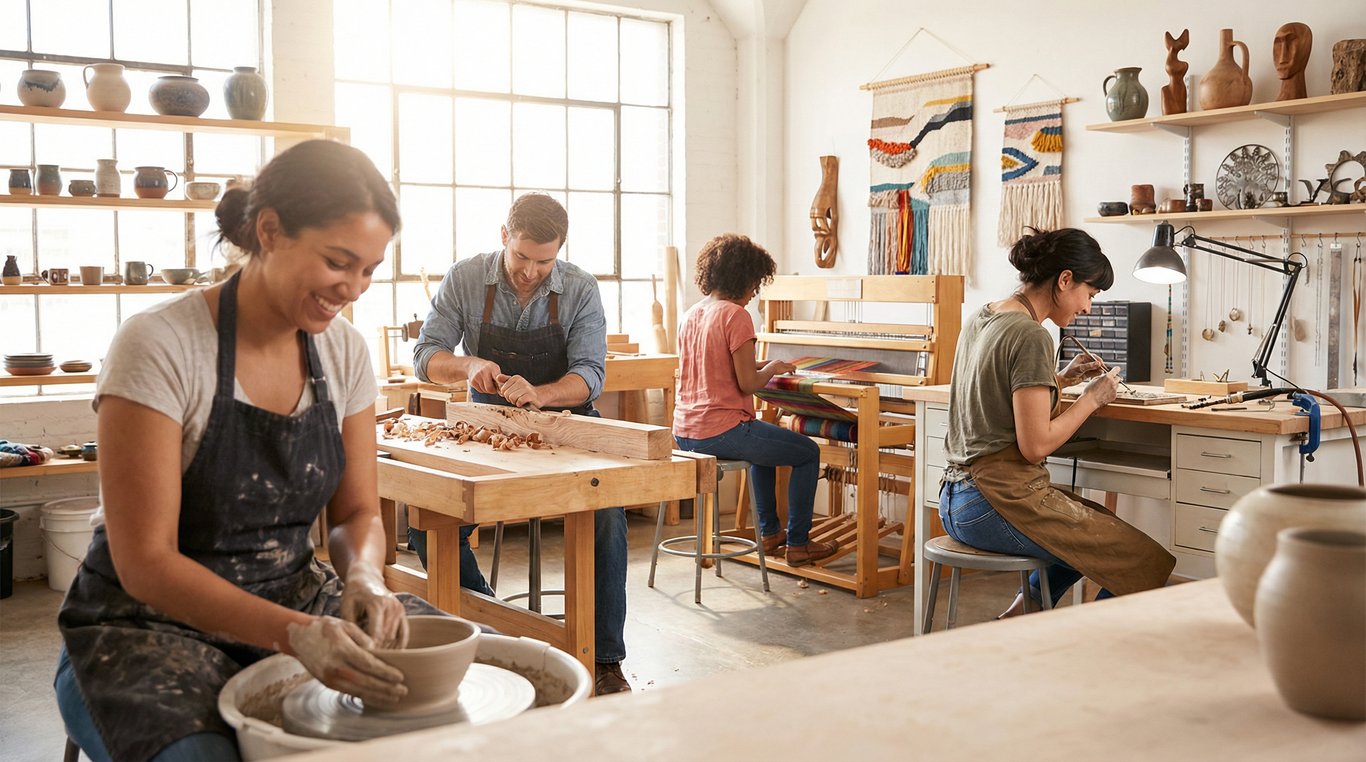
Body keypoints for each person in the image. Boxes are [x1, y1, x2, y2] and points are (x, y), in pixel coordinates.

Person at [55, 140, 442, 762]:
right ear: (269, 230)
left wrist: (365, 574)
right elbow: (145, 563)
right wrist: (293, 635)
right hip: (142, 627)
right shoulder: (160, 345)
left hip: (296, 598)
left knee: (460, 698)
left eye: (369, 269)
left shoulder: (344, 352)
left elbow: (357, 515)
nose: (354, 288)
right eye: (339, 262)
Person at [412, 192, 632, 695]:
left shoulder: (579, 287)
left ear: (560, 251)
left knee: (607, 516)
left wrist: (542, 395)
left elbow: (591, 374)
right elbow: (427, 355)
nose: (531, 271)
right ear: (504, 235)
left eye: (544, 260)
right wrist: (469, 366)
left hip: (566, 426)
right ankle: (489, 629)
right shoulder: (466, 277)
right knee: (427, 519)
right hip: (485, 426)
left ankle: (602, 658)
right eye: (522, 257)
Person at [939, 227, 1175, 618]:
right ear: (1065, 280)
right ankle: (1086, 651)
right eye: (1090, 294)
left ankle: (1018, 619)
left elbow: (995, 396)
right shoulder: (1031, 335)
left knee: (1099, 525)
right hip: (992, 500)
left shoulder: (984, 316)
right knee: (1139, 558)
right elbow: (1036, 446)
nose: (1088, 308)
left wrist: (1060, 380)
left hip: (956, 497)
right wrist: (1091, 399)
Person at [672, 234, 839, 566]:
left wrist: (760, 365)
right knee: (808, 452)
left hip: (685, 431)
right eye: (754, 285)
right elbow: (747, 383)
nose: (753, 294)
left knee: (764, 448)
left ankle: (770, 532)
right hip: (721, 430)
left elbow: (716, 365)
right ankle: (798, 544)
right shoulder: (735, 315)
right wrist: (773, 368)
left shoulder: (692, 314)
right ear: (744, 277)